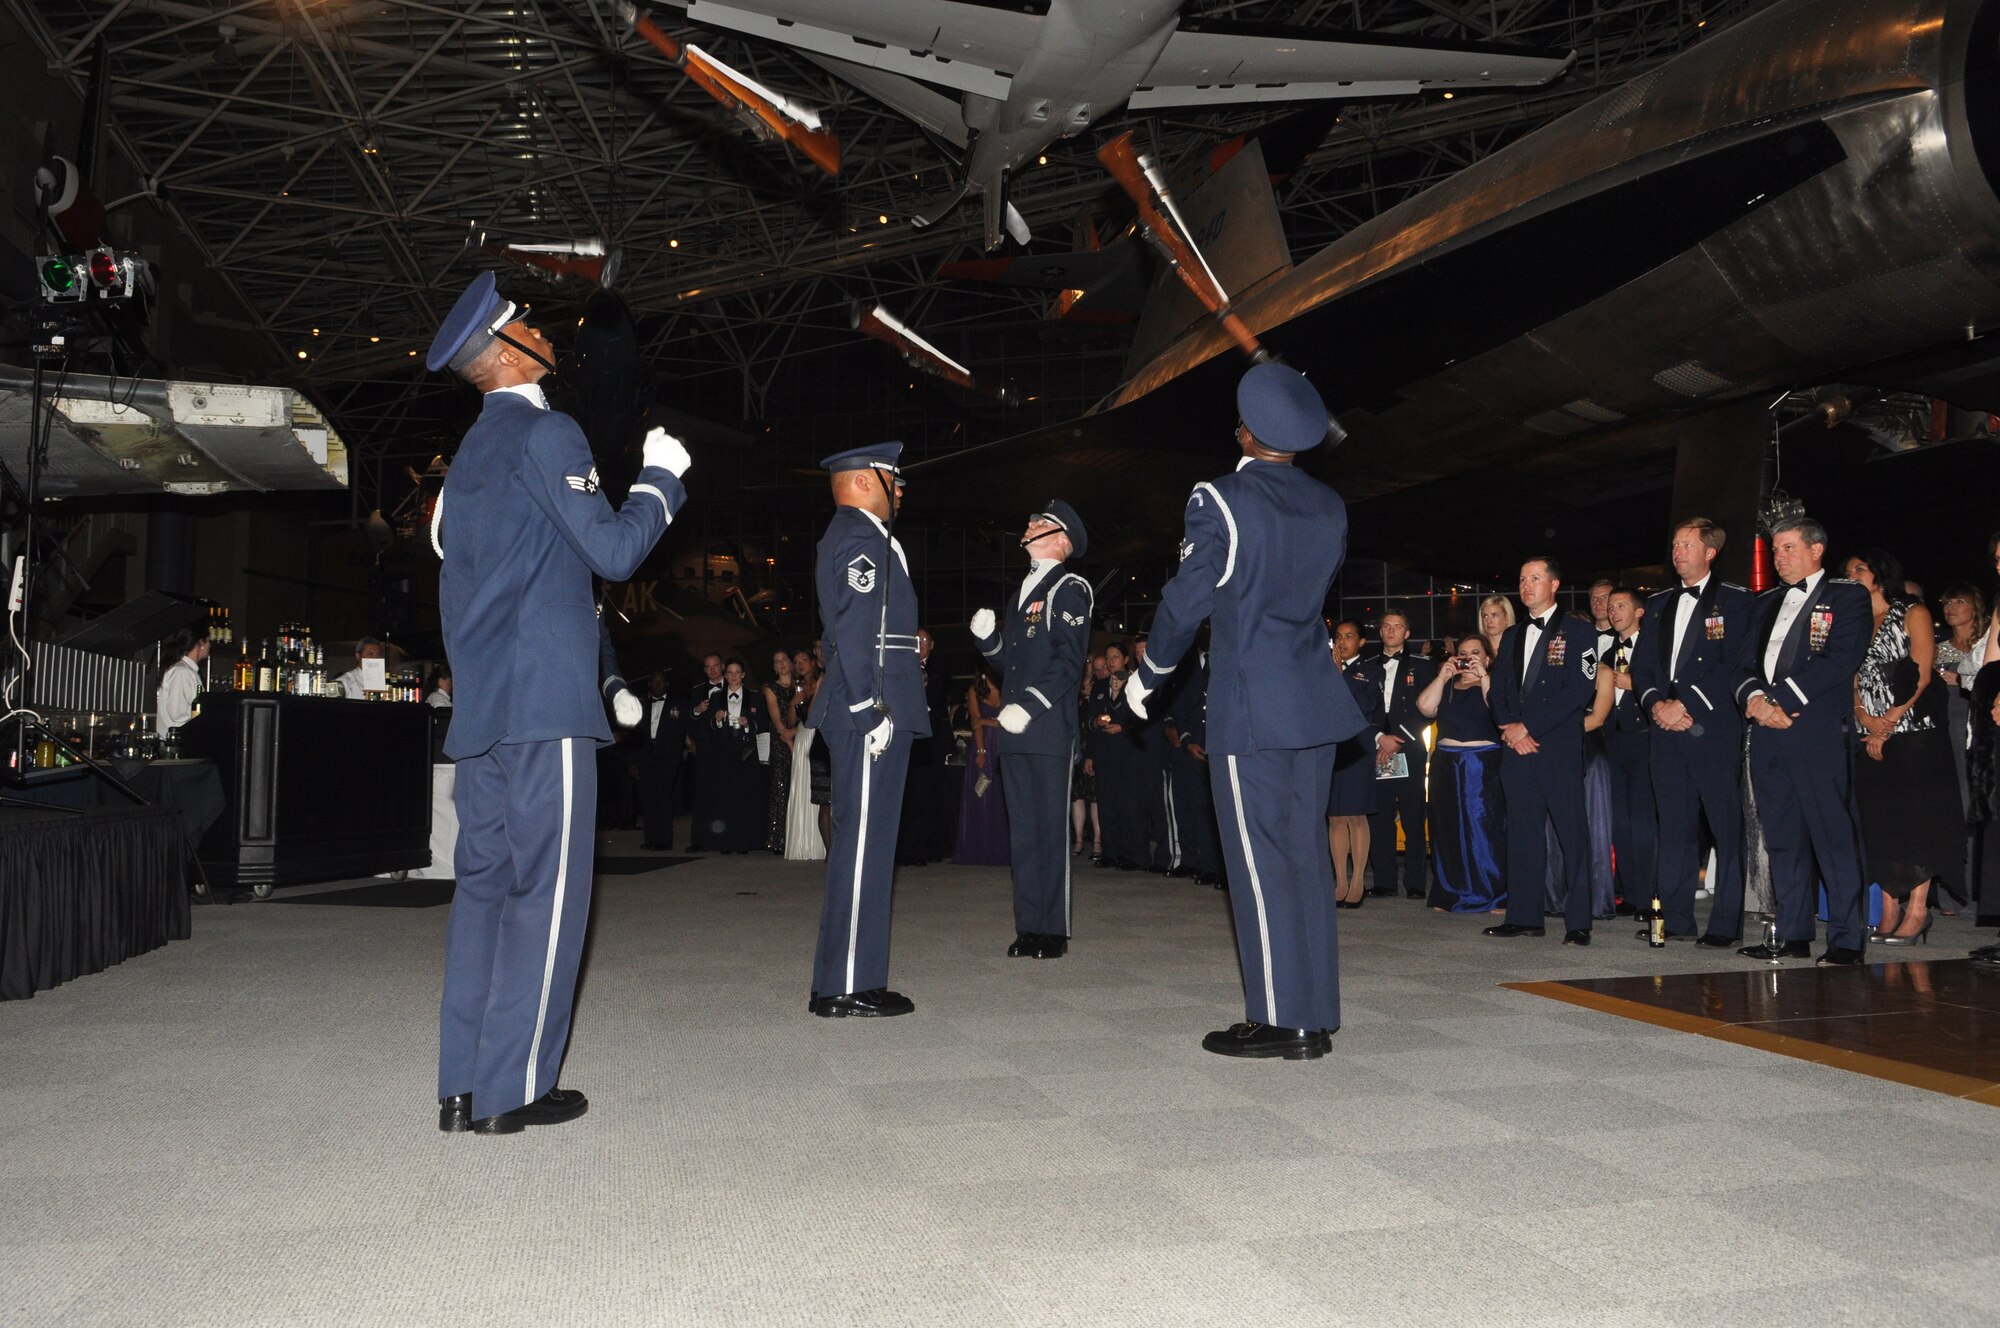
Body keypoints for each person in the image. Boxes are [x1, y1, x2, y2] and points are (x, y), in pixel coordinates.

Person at [426, 270, 689, 1134]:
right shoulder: (550, 433)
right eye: (528, 325)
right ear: (508, 354)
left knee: (485, 893)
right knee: (548, 895)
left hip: (486, 713)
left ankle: (462, 1083)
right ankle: (514, 1090)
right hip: (545, 710)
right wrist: (659, 480)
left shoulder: (466, 459)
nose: (544, 331)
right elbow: (613, 553)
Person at [1123, 361, 1366, 1061]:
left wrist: (1147, 678)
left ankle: (1280, 1019)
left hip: (1252, 706)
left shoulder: (1220, 499)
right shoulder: (1329, 505)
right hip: (1314, 707)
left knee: (1258, 865)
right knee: (1303, 859)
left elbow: (1185, 601)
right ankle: (1315, 1009)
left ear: (1245, 430)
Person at [806, 442, 928, 1018]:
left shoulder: (867, 536)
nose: (900, 489)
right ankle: (844, 984)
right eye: (892, 479)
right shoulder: (858, 536)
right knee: (859, 850)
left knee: (874, 847)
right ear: (861, 482)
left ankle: (860, 975)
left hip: (881, 701)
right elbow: (852, 632)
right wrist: (866, 710)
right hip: (871, 711)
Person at [1733, 516, 1873, 965]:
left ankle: (1847, 939)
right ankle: (1793, 933)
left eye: (1789, 548)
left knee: (1832, 836)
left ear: (1816, 550)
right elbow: (1740, 664)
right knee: (1782, 838)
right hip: (1768, 734)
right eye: (1775, 550)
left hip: (1814, 733)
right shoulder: (1765, 602)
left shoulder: (1846, 595)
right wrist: (1755, 700)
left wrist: (1780, 701)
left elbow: (1840, 657)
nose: (1779, 557)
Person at [971, 500, 1094, 958]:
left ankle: (1054, 930)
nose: (1029, 525)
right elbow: (1013, 664)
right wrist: (990, 642)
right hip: (1015, 726)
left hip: (1046, 727)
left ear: (1063, 541)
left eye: (1041, 524)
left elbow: (1068, 662)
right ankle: (1028, 926)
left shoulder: (1069, 586)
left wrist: (1029, 706)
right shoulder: (1022, 590)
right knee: (1022, 830)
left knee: (1049, 830)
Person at [1632, 518, 1756, 944]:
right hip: (1665, 732)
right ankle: (1676, 921)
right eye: (1675, 544)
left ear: (1710, 552)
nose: (1677, 551)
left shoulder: (1737, 601)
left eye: (1687, 544)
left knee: (1725, 827)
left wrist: (1686, 704)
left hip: (1714, 729)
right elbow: (1642, 665)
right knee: (1674, 828)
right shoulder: (1662, 601)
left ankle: (1725, 926)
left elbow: (1735, 663)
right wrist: (1656, 705)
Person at [1846, 549, 1964, 946]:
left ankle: (1917, 910)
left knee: (1917, 819)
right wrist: (1864, 718)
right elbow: (1852, 677)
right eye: (1847, 572)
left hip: (1914, 730)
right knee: (1878, 820)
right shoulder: (1855, 620)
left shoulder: (1912, 611)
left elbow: (1922, 672)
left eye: (1858, 570)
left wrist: (1888, 724)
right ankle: (1888, 908)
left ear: (1880, 574)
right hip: (1869, 730)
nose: (1852, 576)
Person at [1486, 556, 1599, 944]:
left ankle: (1579, 921)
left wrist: (1527, 727)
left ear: (1554, 585)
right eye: (1522, 579)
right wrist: (1510, 729)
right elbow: (1499, 690)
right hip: (1517, 751)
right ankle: (1524, 916)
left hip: (1557, 748)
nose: (1526, 585)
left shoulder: (1579, 631)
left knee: (1571, 834)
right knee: (1522, 833)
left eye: (1535, 578)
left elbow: (1579, 691)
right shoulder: (1513, 634)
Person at [1416, 635, 1506, 913]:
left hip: (1482, 763)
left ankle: (1493, 893)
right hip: (1447, 763)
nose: (1467, 657)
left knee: (1485, 829)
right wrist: (1443, 676)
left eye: (1475, 652)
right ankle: (1449, 892)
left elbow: (1499, 712)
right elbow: (1425, 707)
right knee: (1447, 828)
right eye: (1463, 653)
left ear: (1488, 657)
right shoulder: (1448, 684)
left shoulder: (1493, 685)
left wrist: (1483, 674)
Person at [1357, 610, 1436, 899]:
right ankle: (1385, 882)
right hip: (1377, 750)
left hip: (1410, 748)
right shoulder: (1365, 666)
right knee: (1380, 815)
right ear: (1380, 632)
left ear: (1407, 633)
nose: (1391, 630)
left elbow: (1428, 709)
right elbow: (1359, 709)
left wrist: (1397, 738)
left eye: (1397, 626)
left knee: (1414, 814)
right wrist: (1379, 738)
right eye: (1386, 625)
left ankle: (1415, 883)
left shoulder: (1424, 665)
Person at [1599, 588, 1656, 918]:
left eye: (1621, 605)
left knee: (1644, 820)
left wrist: (1633, 683)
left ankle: (1651, 897)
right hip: (1613, 741)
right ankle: (1632, 895)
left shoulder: (1654, 646)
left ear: (1639, 612)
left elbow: (1667, 683)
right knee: (1620, 820)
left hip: (1644, 738)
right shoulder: (1607, 651)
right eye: (1610, 607)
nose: (1613, 611)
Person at [1328, 625, 1381, 909]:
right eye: (1338, 636)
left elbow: (1365, 706)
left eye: (1349, 636)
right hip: (1331, 748)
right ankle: (1340, 880)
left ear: (1361, 641)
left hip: (1358, 746)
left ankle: (1358, 880)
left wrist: (1339, 677)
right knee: (1335, 816)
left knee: (1355, 815)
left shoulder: (1370, 671)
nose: (1342, 641)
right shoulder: (1324, 668)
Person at [692, 659, 766, 853]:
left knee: (744, 797)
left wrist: (748, 724)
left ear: (743, 675)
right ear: (725, 676)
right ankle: (725, 842)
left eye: (737, 672)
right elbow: (706, 726)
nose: (733, 676)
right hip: (722, 752)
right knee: (724, 798)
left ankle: (743, 842)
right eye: (730, 673)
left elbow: (764, 723)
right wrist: (715, 720)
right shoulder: (716, 697)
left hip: (746, 753)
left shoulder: (755, 697)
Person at [1086, 642, 1143, 869]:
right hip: (1104, 754)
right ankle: (1111, 852)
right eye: (1108, 657)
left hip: (1128, 753)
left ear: (1126, 659)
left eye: (1116, 657)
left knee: (1128, 805)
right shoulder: (1099, 687)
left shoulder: (1135, 684)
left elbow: (1142, 718)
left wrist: (1123, 727)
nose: (1111, 661)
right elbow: (1089, 720)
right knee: (1106, 804)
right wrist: (1097, 723)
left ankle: (1133, 855)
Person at [954, 667, 1012, 866]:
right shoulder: (975, 690)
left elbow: (1008, 721)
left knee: (1003, 797)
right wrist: (981, 751)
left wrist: (986, 721)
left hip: (1004, 745)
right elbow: (975, 723)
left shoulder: (1008, 688)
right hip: (984, 746)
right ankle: (980, 848)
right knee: (983, 794)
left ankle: (1003, 848)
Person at [762, 648, 799, 854]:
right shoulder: (771, 689)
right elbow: (777, 720)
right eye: (777, 661)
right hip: (782, 741)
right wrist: (789, 742)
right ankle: (778, 839)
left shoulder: (802, 685)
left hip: (801, 737)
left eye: (785, 659)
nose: (782, 663)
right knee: (781, 787)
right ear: (774, 667)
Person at [156, 626, 210, 736]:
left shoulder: (186, 671)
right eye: (209, 640)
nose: (210, 645)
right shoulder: (182, 672)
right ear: (201, 643)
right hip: (175, 744)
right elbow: (177, 713)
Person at [1478, 594, 1515, 659]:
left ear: (1506, 618)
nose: (1489, 621)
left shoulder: (1517, 648)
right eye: (1485, 616)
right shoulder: (1477, 650)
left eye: (1495, 615)